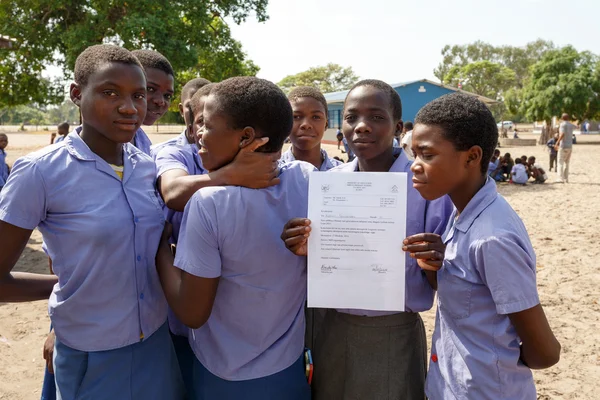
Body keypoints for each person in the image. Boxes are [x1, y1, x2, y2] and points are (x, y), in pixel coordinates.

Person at [0, 44, 184, 399]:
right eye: (110, 92)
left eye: (139, 95)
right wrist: (66, 286)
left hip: (156, 346)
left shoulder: (147, 168)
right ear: (76, 94)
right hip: (92, 354)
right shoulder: (40, 172)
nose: (130, 107)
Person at [280, 79, 453, 399]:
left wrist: (437, 262)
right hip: (331, 329)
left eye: (376, 117)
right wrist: (303, 247)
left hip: (393, 334)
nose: (361, 127)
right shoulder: (328, 184)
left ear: (399, 126)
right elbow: (316, 259)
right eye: (351, 118)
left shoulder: (427, 187)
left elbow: (448, 282)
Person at [155, 77, 312, 399]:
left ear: (245, 137)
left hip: (223, 376)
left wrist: (160, 253)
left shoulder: (209, 202)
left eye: (207, 125)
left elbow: (192, 313)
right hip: (287, 370)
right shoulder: (307, 179)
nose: (198, 133)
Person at [404, 92, 560, 399]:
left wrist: (495, 363)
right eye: (413, 155)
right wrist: (436, 266)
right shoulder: (461, 212)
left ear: (472, 157)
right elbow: (468, 301)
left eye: (427, 155)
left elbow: (545, 352)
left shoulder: (493, 238)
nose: (415, 166)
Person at [280, 86, 341, 171]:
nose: (306, 124)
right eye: (296, 116)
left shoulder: (342, 172)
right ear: (286, 123)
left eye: (316, 117)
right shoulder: (270, 173)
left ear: (326, 125)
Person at [130, 49, 176, 156]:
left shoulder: (144, 144)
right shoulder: (94, 144)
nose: (160, 101)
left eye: (167, 96)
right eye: (150, 89)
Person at [151, 77, 211, 157]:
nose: (199, 113)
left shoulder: (229, 154)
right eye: (191, 106)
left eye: (207, 106)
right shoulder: (158, 154)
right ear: (181, 110)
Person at [555, 113, 575, 183]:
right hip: (570, 146)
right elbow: (576, 127)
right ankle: (566, 178)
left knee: (560, 162)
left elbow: (562, 134)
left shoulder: (562, 124)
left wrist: (557, 142)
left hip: (563, 146)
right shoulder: (571, 125)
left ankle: (560, 178)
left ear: (562, 118)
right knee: (567, 162)